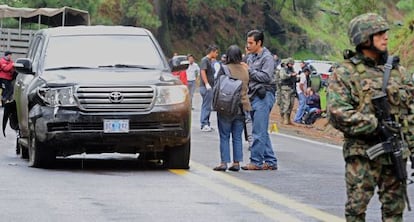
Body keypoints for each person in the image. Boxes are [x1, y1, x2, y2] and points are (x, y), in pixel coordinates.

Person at [327, 13, 414, 221]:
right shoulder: (345, 72)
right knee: (356, 210)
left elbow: (410, 112)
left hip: (395, 155)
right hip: (363, 155)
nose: (386, 37)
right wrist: (374, 125)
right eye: (380, 33)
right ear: (365, 38)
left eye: (386, 33)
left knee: (394, 212)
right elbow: (337, 113)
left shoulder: (399, 72)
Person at [241, 29, 278, 170]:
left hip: (264, 95)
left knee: (258, 131)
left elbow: (266, 77)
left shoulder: (267, 58)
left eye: (251, 43)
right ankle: (270, 160)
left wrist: (249, 70)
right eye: (247, 42)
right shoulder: (250, 57)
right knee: (261, 129)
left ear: (259, 43)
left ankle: (256, 161)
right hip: (252, 95)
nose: (248, 45)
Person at [213, 45, 251, 171]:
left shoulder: (224, 69)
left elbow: (217, 86)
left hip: (226, 106)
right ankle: (236, 163)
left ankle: (224, 162)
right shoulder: (245, 70)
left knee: (224, 135)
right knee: (237, 136)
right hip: (242, 106)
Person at [199, 44, 219, 132]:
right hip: (206, 87)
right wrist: (207, 84)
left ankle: (207, 122)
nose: (217, 54)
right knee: (206, 106)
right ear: (212, 52)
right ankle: (204, 123)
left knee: (207, 105)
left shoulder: (210, 61)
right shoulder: (205, 60)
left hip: (210, 86)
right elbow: (203, 71)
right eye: (216, 52)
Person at [279, 58, 297, 125]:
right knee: (286, 104)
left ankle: (288, 119)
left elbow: (294, 79)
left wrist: (296, 77)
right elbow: (283, 77)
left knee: (291, 105)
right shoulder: (283, 70)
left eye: (292, 64)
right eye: (290, 64)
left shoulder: (292, 70)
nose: (291, 65)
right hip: (285, 88)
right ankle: (284, 118)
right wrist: (290, 75)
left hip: (292, 88)